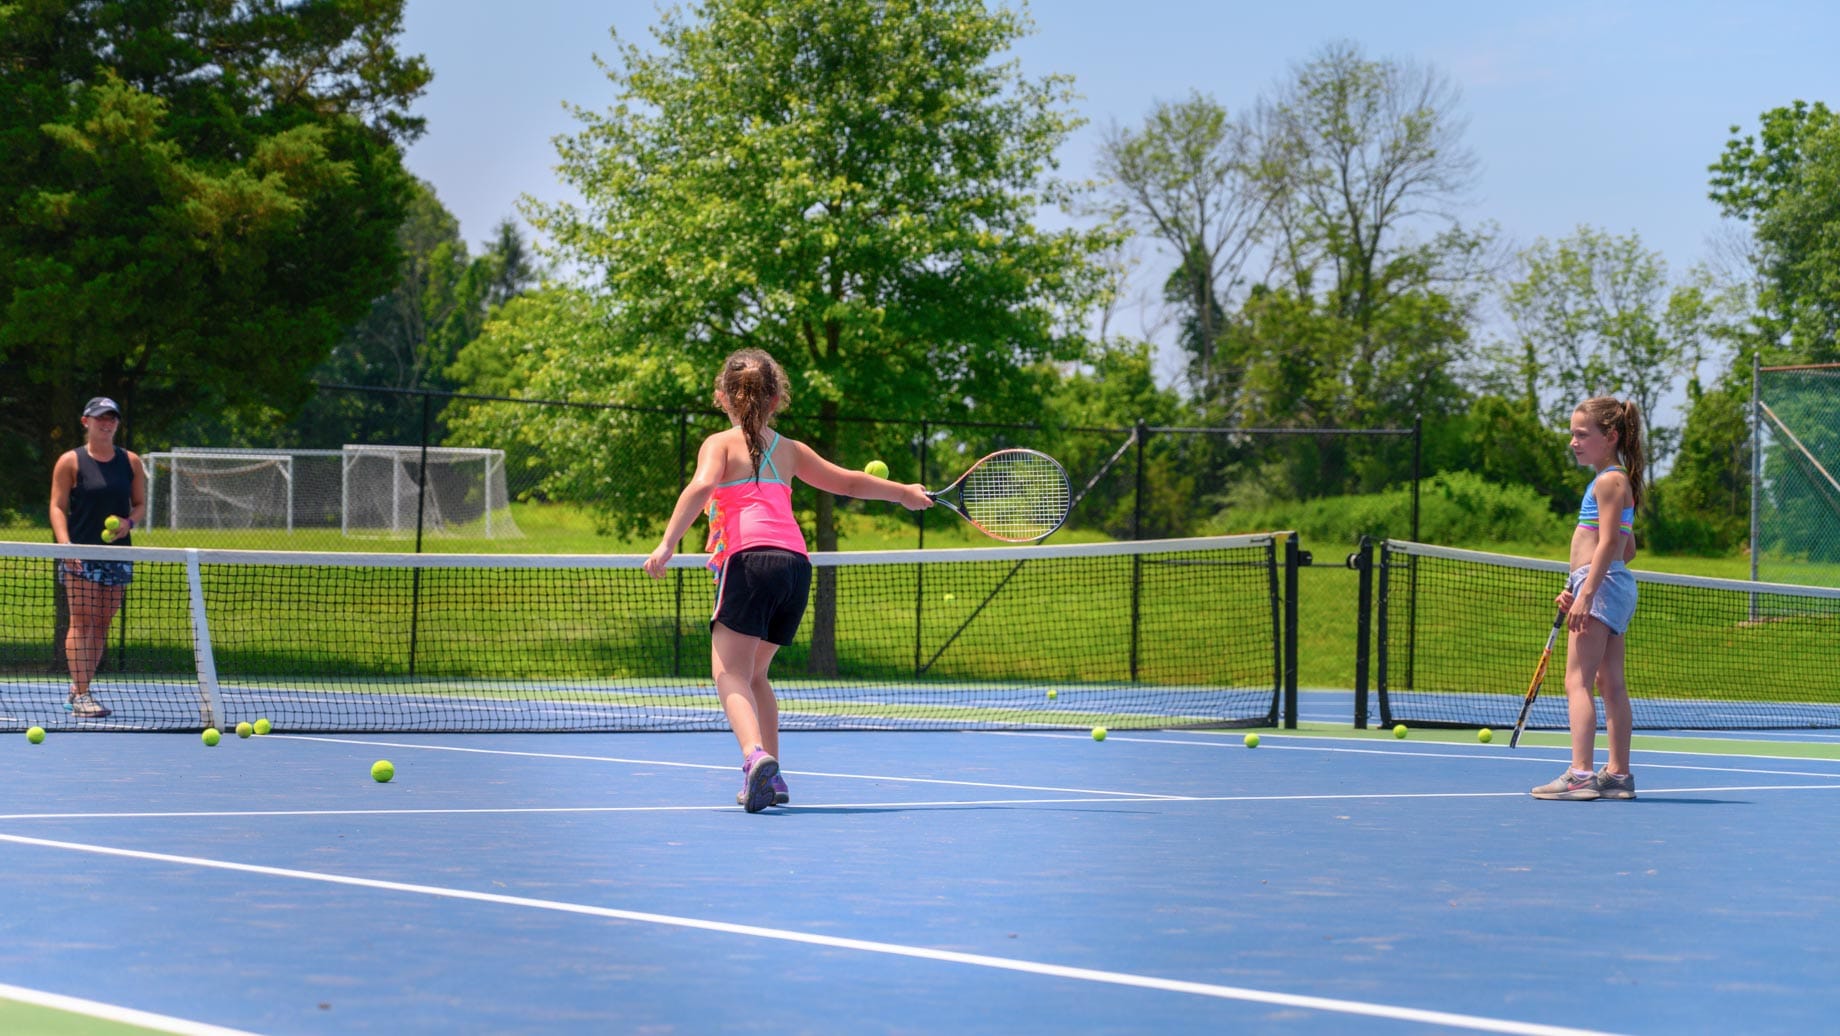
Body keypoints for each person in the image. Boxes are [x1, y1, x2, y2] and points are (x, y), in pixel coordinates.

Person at [642, 350, 932, 812]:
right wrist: (904, 495)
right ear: (776, 400)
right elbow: (851, 484)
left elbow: (700, 488)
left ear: (722, 398)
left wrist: (667, 543)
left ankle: (755, 758)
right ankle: (773, 778)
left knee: (728, 673)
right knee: (756, 673)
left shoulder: (718, 444)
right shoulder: (790, 449)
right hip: (795, 567)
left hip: (750, 562)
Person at [1531, 396, 1644, 801]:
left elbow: (1610, 542)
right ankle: (1617, 776)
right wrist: (1576, 586)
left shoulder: (1608, 480)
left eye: (1582, 434)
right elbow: (1625, 551)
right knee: (1609, 682)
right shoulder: (1614, 481)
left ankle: (1580, 775)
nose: (1574, 442)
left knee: (1577, 682)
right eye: (1572, 434)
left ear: (1609, 436)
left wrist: (1587, 592)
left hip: (1601, 587)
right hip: (1606, 586)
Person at [48, 396, 147, 719]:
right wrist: (66, 547)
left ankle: (79, 689)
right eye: (100, 417)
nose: (107, 423)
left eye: (112, 418)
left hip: (117, 554)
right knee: (82, 621)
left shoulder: (130, 461)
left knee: (102, 623)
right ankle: (82, 694)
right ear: (86, 422)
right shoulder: (70, 462)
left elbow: (140, 504)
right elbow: (57, 506)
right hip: (79, 554)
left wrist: (128, 523)